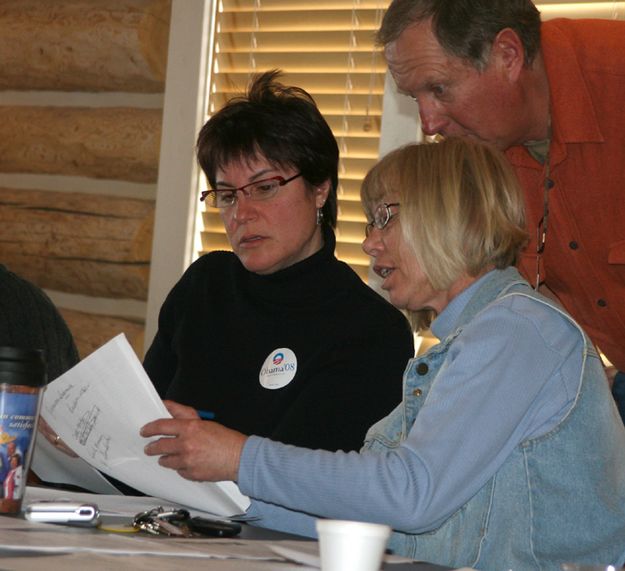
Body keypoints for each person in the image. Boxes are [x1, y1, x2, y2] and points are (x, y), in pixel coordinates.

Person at [142, 138, 625, 570]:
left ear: (448, 214)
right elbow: (379, 519)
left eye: (385, 218)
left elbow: (409, 495)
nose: (370, 242)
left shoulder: (517, 330)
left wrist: (239, 457)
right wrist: (220, 487)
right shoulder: (473, 337)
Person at [375, 0, 625, 419]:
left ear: (507, 55)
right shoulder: (479, 152)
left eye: (438, 89)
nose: (429, 123)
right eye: (413, 96)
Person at [143, 70, 414, 452]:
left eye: (265, 188)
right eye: (227, 195)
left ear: (320, 189)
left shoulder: (370, 330)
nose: (242, 214)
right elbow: (142, 424)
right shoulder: (205, 285)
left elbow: (314, 482)